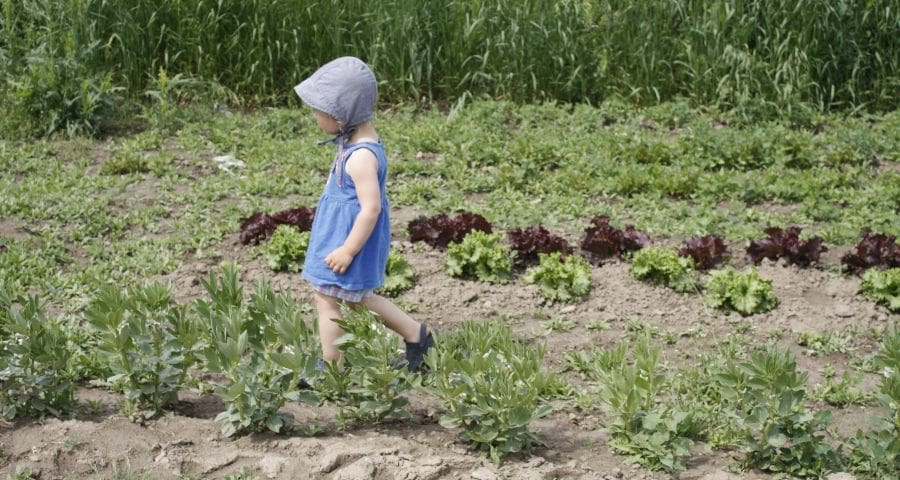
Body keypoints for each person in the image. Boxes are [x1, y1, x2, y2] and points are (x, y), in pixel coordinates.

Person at [293, 56, 433, 371]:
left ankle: (332, 367)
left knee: (326, 298)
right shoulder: (357, 141)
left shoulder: (361, 157)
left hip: (348, 241)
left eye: (320, 111)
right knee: (356, 299)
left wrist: (347, 250)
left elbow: (371, 208)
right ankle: (416, 334)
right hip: (342, 237)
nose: (315, 117)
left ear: (342, 113)